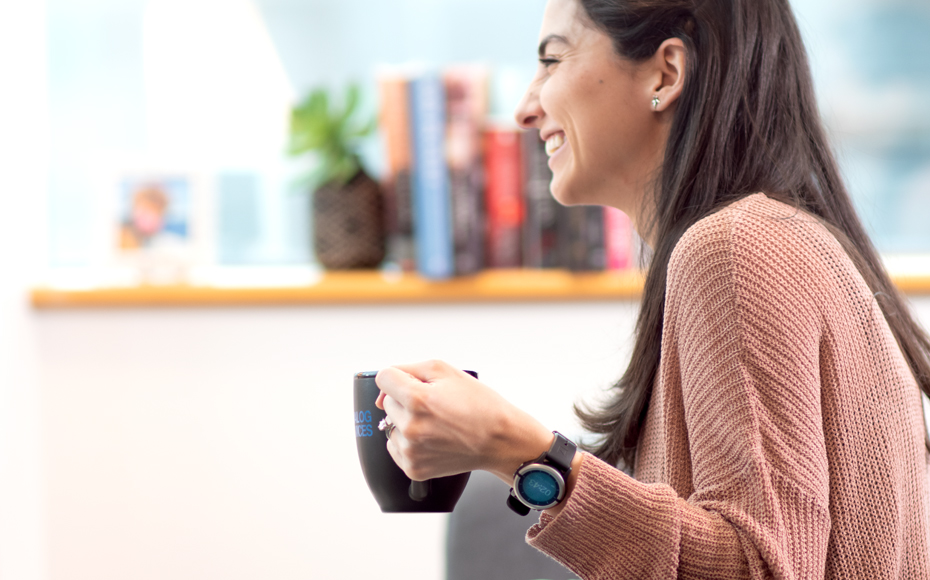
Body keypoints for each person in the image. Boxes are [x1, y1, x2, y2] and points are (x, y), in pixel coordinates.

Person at [374, 0, 930, 577]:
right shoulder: (779, 238)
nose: (525, 109)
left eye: (552, 60)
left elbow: (761, 568)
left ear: (665, 73)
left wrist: (523, 454)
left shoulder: (735, 248)